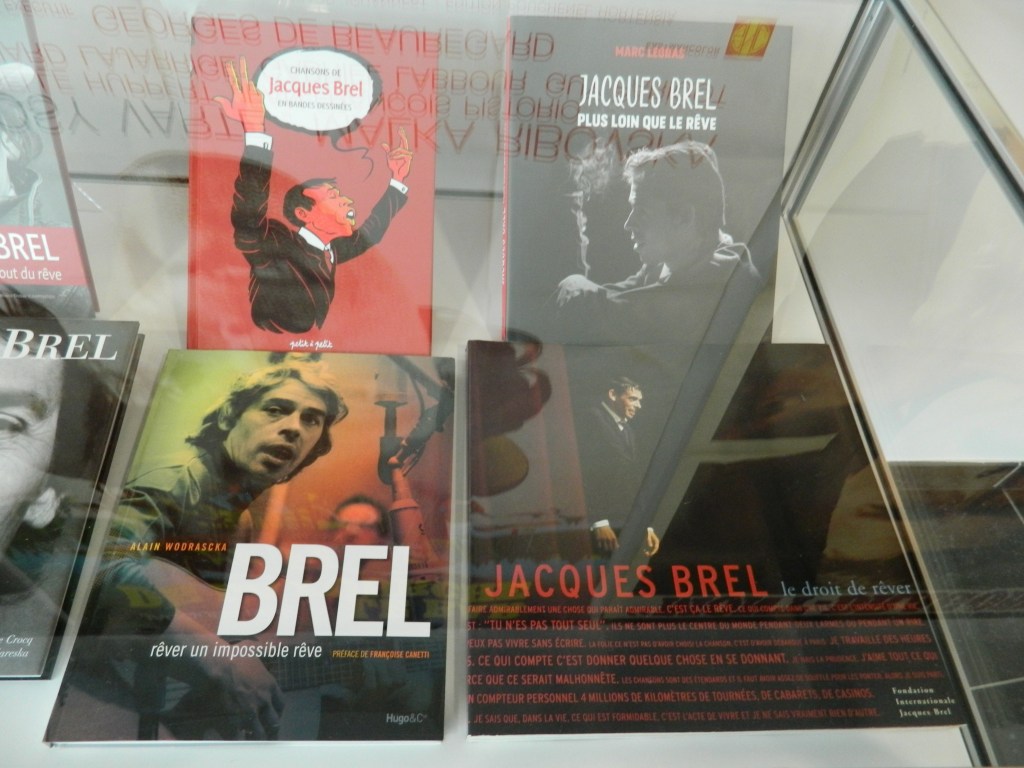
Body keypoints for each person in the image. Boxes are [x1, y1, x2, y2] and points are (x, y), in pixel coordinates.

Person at [84, 358, 348, 739]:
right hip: (101, 703)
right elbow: (98, 571)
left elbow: (210, 618)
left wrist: (251, 649)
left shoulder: (240, 520)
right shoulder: (177, 481)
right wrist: (220, 661)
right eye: (276, 409)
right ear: (229, 417)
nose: (293, 428)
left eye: (311, 420)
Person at [215, 58, 413, 334]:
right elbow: (248, 216)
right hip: (262, 342)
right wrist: (255, 131)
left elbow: (372, 232)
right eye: (334, 196)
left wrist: (398, 180)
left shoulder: (333, 249)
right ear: (304, 213)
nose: (347, 201)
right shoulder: (275, 244)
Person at [556, 140, 759, 345]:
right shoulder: (671, 262)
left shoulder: (718, 283)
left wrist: (574, 284)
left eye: (642, 211)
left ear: (684, 216)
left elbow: (603, 308)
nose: (628, 224)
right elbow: (617, 294)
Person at [575, 376, 659, 558]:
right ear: (613, 395)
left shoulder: (628, 430)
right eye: (633, 399)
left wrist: (645, 526)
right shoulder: (591, 419)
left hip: (617, 524)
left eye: (640, 400)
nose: (639, 406)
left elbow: (631, 481)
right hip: (593, 527)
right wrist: (599, 522)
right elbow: (584, 473)